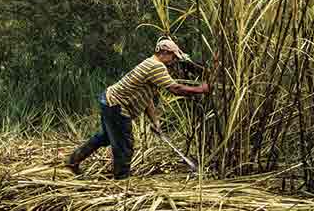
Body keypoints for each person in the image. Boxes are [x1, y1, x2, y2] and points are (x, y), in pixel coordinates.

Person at [65, 37, 210, 179]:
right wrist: (201, 89)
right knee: (125, 145)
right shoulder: (156, 66)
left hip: (108, 100)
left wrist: (155, 122)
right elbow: (176, 89)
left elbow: (147, 99)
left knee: (105, 137)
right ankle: (121, 179)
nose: (174, 61)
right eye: (173, 56)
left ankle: (73, 161)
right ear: (164, 53)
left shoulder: (150, 64)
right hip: (116, 105)